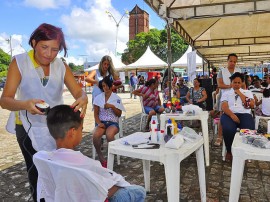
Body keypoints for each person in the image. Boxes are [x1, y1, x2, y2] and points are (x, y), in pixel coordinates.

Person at [0, 23, 88, 202]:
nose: (49, 54)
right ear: (34, 42)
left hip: (56, 127)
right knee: (37, 172)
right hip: (26, 126)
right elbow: (5, 100)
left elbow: (79, 91)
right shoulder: (19, 62)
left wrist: (83, 97)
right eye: (44, 47)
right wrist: (25, 104)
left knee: (60, 169)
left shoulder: (61, 66)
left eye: (55, 49)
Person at [46, 104, 146, 202]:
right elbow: (104, 190)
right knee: (139, 191)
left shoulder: (47, 159)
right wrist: (118, 188)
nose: (82, 132)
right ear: (72, 132)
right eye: (81, 129)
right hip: (97, 195)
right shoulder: (83, 164)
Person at [220, 72, 255, 162]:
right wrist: (232, 115)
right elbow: (224, 107)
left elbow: (251, 105)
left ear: (242, 83)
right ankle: (229, 151)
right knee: (228, 129)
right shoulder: (226, 93)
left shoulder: (247, 92)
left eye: (239, 82)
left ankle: (245, 150)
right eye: (235, 82)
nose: (236, 84)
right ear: (231, 82)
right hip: (229, 114)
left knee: (248, 129)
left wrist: (239, 92)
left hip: (245, 114)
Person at [93, 76, 125, 168]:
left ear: (111, 86)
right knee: (95, 135)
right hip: (102, 122)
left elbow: (119, 114)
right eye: (103, 86)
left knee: (109, 135)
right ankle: (101, 157)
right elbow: (96, 114)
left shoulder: (116, 98)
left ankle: (112, 154)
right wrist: (99, 123)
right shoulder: (98, 98)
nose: (105, 88)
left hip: (112, 122)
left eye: (107, 85)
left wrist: (112, 107)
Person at [215, 53, 241, 146]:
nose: (232, 63)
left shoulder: (239, 71)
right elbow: (220, 85)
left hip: (236, 97)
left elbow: (242, 84)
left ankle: (234, 135)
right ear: (227, 61)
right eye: (231, 61)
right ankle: (219, 137)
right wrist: (230, 86)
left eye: (234, 61)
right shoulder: (221, 71)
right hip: (224, 96)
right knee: (223, 116)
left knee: (237, 114)